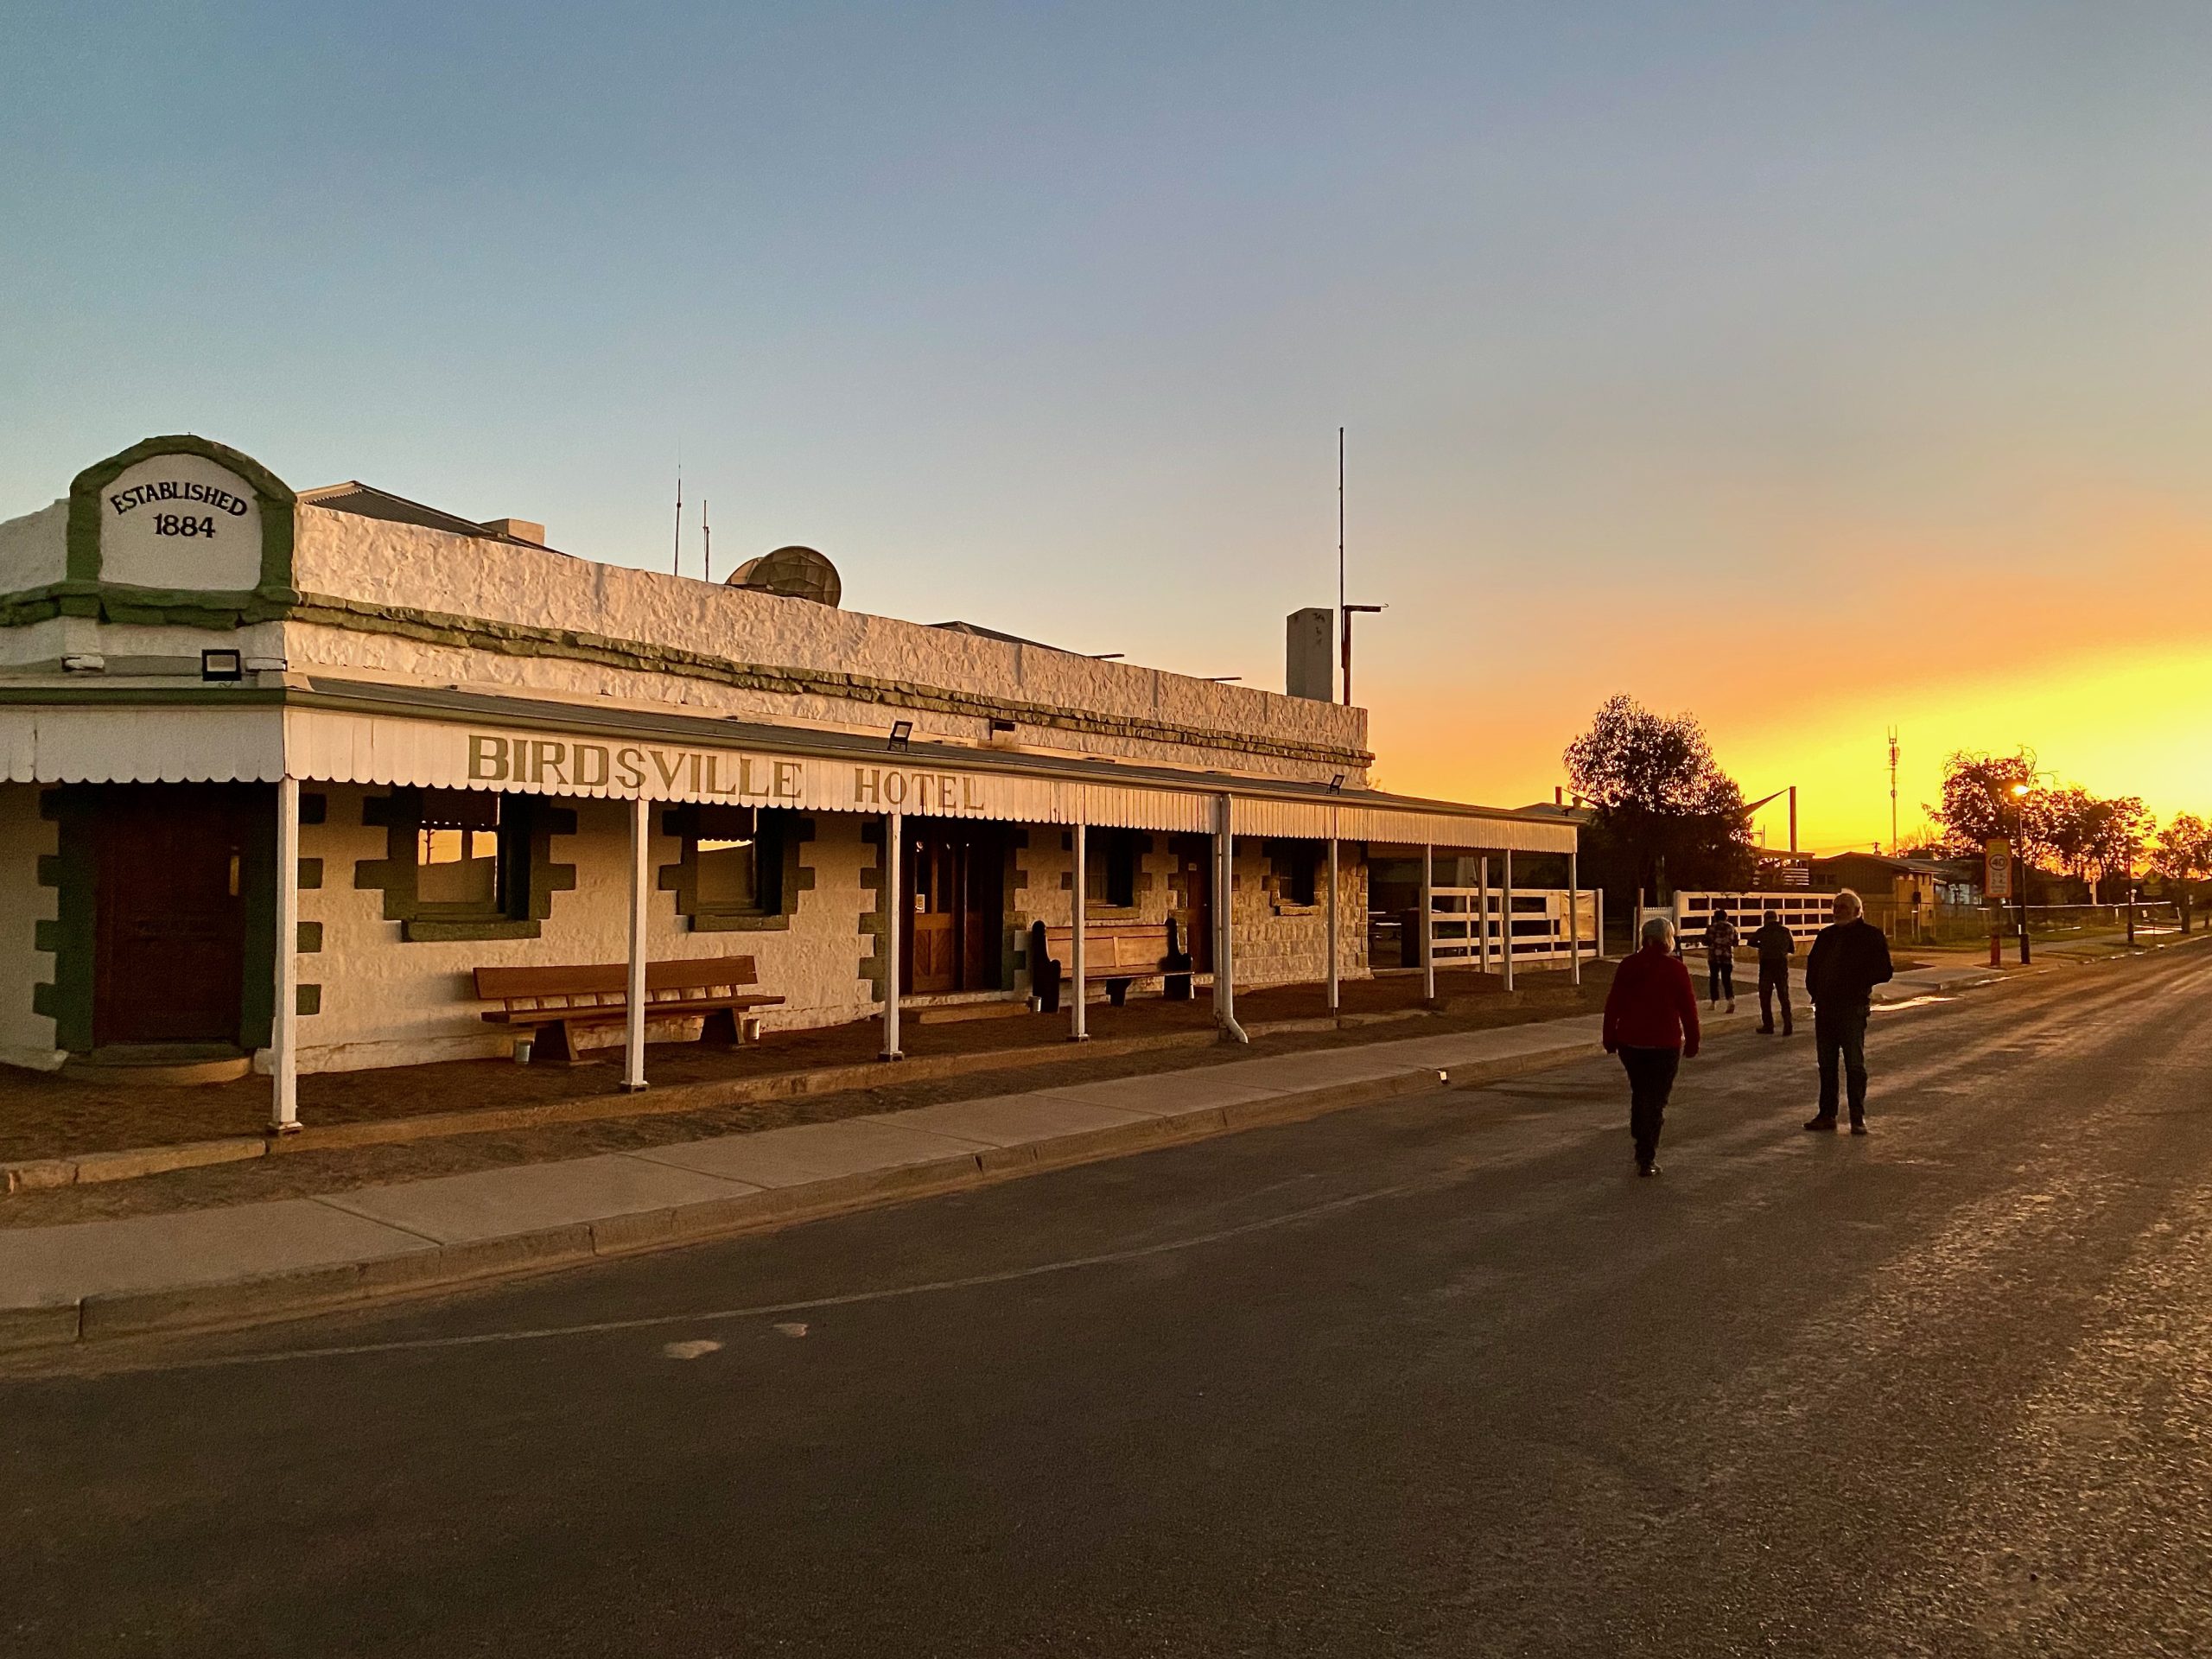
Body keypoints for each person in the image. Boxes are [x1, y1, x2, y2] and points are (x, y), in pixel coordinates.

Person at [1603, 915, 1702, 1176]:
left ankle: (1640, 1136)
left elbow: (1614, 1003)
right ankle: (1646, 1155)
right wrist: (1693, 1040)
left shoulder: (1628, 965)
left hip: (1631, 1041)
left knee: (1640, 1091)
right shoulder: (1676, 969)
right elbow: (1688, 1009)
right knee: (1656, 1100)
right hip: (1664, 1043)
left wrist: (1609, 1036)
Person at [1802, 888, 1893, 1135]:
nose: (1837, 911)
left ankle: (1857, 1116)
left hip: (1852, 1009)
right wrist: (1815, 991)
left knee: (1854, 1065)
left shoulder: (1870, 936)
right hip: (1825, 1010)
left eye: (1843, 907)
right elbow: (1814, 966)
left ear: (1856, 910)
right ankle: (1826, 1114)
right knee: (1826, 1065)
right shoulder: (1826, 936)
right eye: (1835, 907)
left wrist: (1856, 981)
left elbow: (1885, 970)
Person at [1752, 908, 1796, 1035]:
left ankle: (1768, 1025)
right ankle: (1788, 1025)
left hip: (1766, 965)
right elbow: (1792, 949)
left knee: (1765, 997)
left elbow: (1751, 941)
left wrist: (1763, 946)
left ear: (1765, 919)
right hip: (1781, 965)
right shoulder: (1785, 931)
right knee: (1784, 996)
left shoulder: (1763, 931)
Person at [1704, 904, 1739, 1012]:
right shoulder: (1731, 928)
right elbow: (1736, 942)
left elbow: (1706, 941)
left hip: (1714, 956)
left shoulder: (1712, 928)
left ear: (1715, 917)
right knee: (1727, 979)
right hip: (1727, 956)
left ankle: (1714, 1003)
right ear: (1726, 917)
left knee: (1714, 979)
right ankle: (1731, 1000)